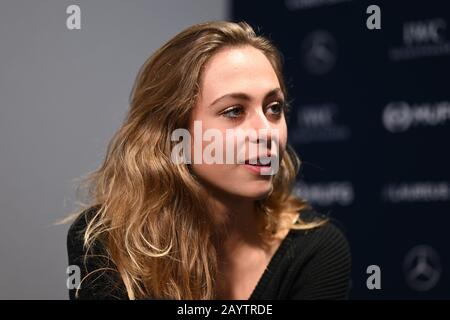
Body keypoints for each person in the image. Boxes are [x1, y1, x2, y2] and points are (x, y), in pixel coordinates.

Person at [66, 20, 351, 300]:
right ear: (175, 134)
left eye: (274, 108)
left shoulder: (315, 249)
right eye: (234, 111)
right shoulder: (107, 240)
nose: (267, 132)